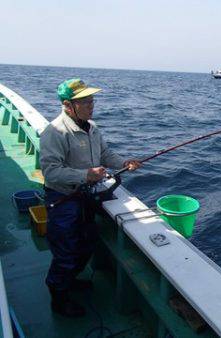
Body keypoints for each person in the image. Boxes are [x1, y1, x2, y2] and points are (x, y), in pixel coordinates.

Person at [40, 78, 141, 317]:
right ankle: (59, 298)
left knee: (87, 241)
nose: (91, 105)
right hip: (63, 198)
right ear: (67, 105)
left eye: (92, 100)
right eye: (85, 102)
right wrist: (86, 174)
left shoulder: (91, 126)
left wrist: (124, 162)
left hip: (85, 197)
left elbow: (104, 153)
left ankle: (70, 280)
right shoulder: (54, 132)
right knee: (65, 250)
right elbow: (50, 171)